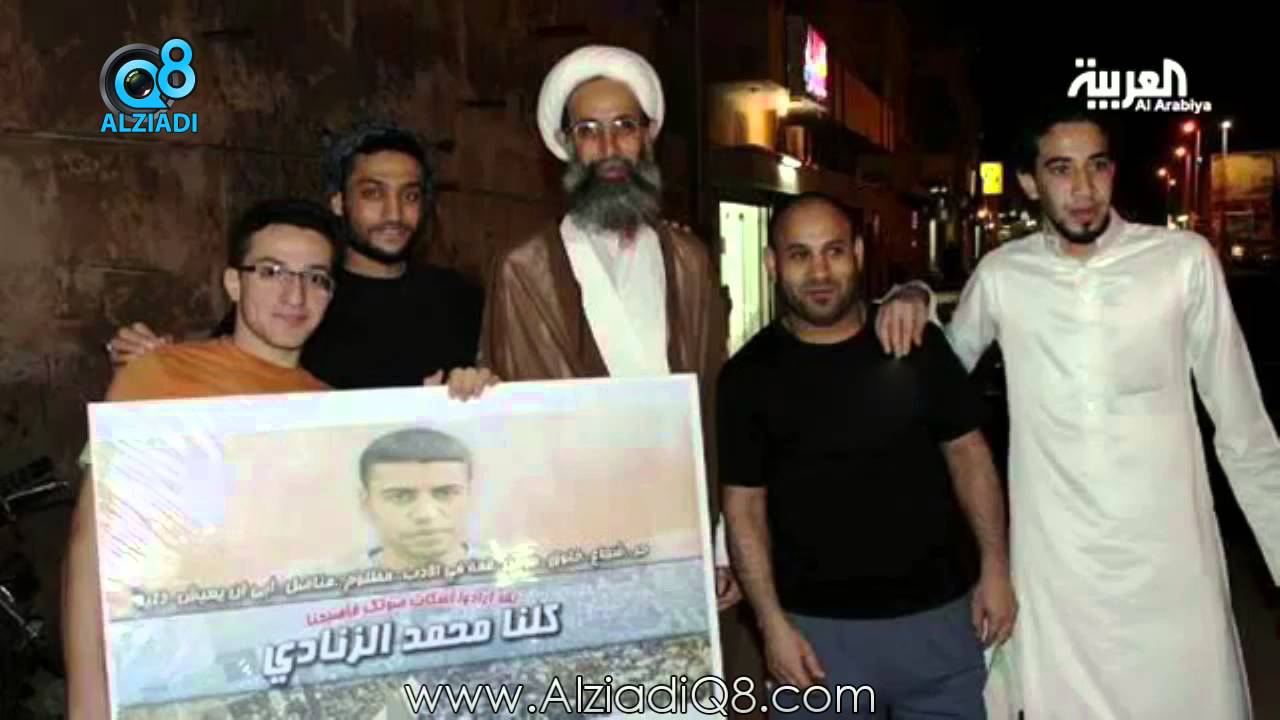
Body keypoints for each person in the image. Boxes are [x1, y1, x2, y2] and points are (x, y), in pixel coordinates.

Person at [880, 105, 1280, 719]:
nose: (1084, 189)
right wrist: (910, 295)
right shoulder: (1004, 275)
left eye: (1097, 167)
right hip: (1058, 573)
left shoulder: (1183, 262)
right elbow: (939, 376)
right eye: (1061, 170)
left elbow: (1245, 431)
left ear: (1114, 172)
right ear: (1029, 182)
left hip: (1174, 567)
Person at [63, 198, 495, 719]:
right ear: (234, 283)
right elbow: (92, 550)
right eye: (271, 272)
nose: (295, 295)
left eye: (316, 278)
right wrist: (87, 702)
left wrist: (459, 410)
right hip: (173, 674)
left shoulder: (333, 412)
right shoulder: (159, 377)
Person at [720, 193, 1015, 719]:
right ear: (771, 264)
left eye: (834, 251)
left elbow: (970, 456)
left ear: (857, 253)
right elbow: (743, 506)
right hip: (815, 641)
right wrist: (771, 624)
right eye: (799, 254)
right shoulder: (747, 377)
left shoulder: (916, 344)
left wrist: (996, 566)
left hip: (940, 627)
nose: (819, 272)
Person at [105, 123, 483, 389]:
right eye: (372, 193)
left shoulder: (460, 298)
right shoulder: (291, 303)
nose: (394, 214)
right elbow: (224, 370)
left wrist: (479, 392)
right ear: (339, 201)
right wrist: (156, 360)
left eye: (410, 196)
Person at [358, 427, 475, 570]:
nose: (425, 514)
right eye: (400, 496)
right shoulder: (338, 581)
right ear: (367, 504)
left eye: (445, 493)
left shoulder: (501, 575)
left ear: (470, 495)